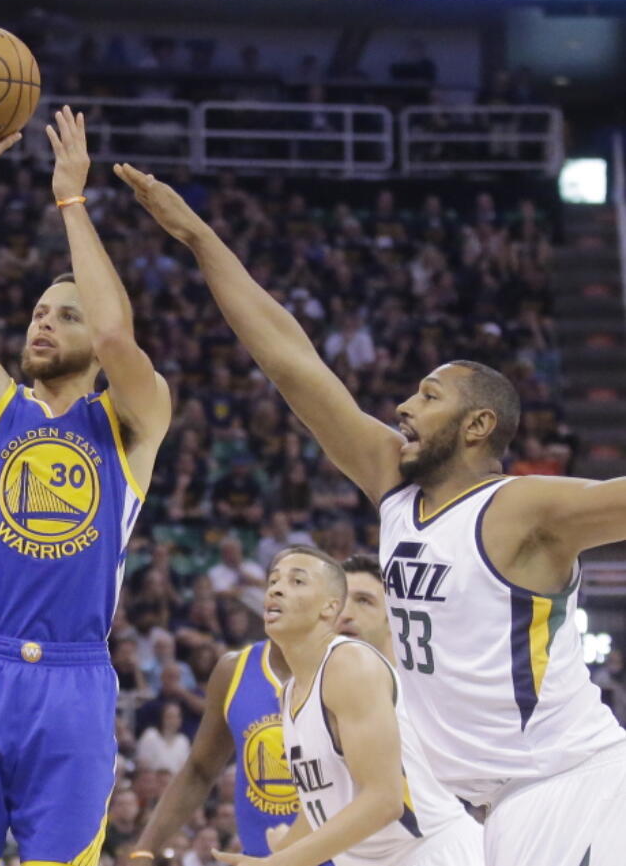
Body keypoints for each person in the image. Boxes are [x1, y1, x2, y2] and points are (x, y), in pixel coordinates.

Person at [114, 163, 626, 866]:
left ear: (477, 425)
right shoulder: (393, 483)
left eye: (427, 395)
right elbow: (292, 362)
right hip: (500, 806)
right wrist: (200, 237)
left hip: (575, 781)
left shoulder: (523, 508)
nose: (403, 408)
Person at [0, 108, 171, 866]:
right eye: (40, 311)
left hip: (73, 680)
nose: (44, 323)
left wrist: (71, 202)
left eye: (67, 314)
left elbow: (120, 338)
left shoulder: (129, 421)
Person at [218, 548, 480, 866]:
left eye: (297, 581)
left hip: (431, 853)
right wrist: (283, 848)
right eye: (273, 581)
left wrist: (280, 863)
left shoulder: (349, 664)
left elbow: (384, 801)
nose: (276, 588)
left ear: (331, 607)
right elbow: (327, 801)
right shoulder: (291, 694)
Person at [132, 631, 323, 861]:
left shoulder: (352, 670)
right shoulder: (234, 670)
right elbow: (199, 771)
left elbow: (373, 790)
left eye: (295, 591)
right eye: (269, 591)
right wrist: (144, 848)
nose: (276, 593)